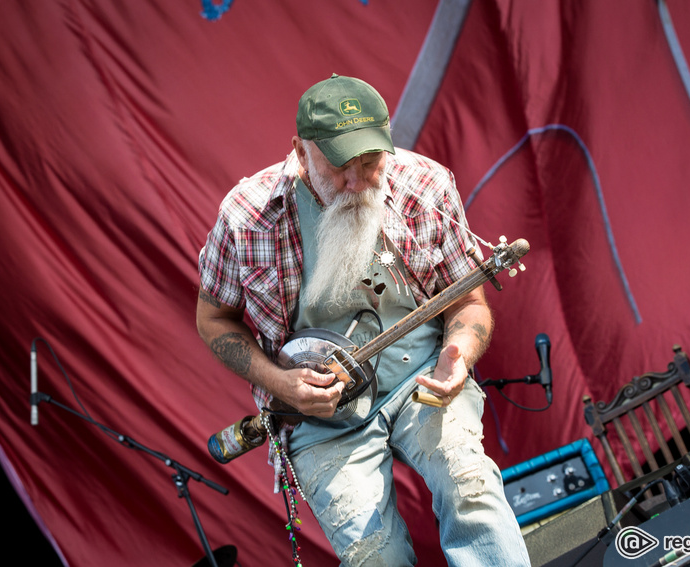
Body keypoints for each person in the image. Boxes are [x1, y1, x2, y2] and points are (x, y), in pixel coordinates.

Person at [197, 74, 530, 566]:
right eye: (337, 167)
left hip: (420, 375)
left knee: (470, 488)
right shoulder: (246, 217)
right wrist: (282, 386)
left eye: (370, 163)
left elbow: (469, 304)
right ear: (299, 150)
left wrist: (458, 357)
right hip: (316, 411)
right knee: (375, 556)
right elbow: (213, 319)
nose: (355, 184)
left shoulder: (424, 185)